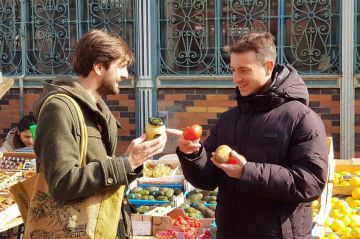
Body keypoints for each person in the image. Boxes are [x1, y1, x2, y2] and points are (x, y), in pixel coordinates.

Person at [171, 31, 328, 238]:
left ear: (268, 67)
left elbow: (311, 183)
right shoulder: (229, 119)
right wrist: (192, 155)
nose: (236, 78)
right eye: (233, 70)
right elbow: (206, 179)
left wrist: (247, 172)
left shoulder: (302, 119)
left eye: (244, 70)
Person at [32, 29, 167, 238]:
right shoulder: (59, 108)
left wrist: (133, 162)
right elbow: (61, 182)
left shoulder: (96, 108)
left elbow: (98, 168)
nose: (125, 75)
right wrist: (124, 163)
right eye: (121, 67)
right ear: (98, 66)